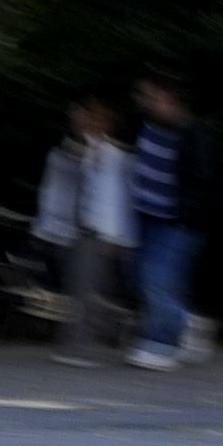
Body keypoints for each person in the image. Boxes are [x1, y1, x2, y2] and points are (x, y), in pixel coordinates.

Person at [33, 94, 137, 363]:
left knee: (82, 291)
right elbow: (53, 193)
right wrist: (46, 229)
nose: (79, 120)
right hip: (67, 232)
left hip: (98, 233)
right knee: (83, 291)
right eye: (76, 114)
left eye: (86, 115)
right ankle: (123, 325)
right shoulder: (64, 153)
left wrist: (120, 237)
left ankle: (76, 347)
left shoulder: (117, 158)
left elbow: (118, 199)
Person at [128, 73, 213, 370]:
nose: (145, 102)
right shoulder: (143, 126)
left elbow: (200, 181)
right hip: (147, 219)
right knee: (143, 277)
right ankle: (188, 322)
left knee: (157, 281)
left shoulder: (193, 135)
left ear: (169, 99)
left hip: (177, 223)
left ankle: (160, 345)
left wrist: (185, 215)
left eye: (151, 97)